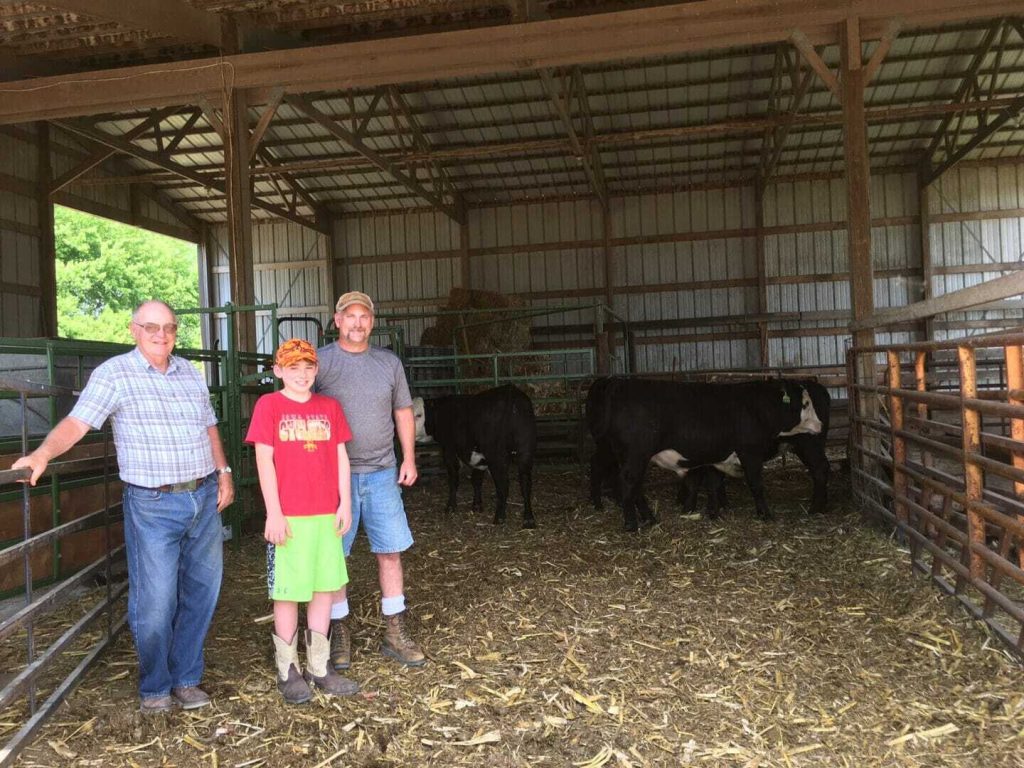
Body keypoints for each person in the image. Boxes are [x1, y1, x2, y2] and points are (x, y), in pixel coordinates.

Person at [11, 300, 234, 713]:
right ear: (133, 329)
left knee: (203, 591)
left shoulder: (189, 372)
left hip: (202, 494)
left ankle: (186, 678)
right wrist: (43, 454)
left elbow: (209, 426)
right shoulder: (115, 373)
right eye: (151, 326)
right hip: (152, 502)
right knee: (156, 601)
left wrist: (224, 472)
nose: (160, 334)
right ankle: (155, 686)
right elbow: (78, 422)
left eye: (168, 327)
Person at [315, 290, 425, 668]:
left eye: (364, 316)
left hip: (381, 472)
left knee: (390, 551)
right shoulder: (321, 363)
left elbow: (403, 412)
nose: (357, 323)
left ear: (371, 323)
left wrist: (408, 457)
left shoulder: (388, 363)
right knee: (334, 556)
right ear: (337, 320)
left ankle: (394, 630)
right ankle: (339, 630)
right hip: (334, 477)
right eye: (350, 316)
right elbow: (302, 408)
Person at [245, 338, 359, 704]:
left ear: (316, 370)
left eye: (308, 367)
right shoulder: (269, 406)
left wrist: (345, 504)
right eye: (293, 368)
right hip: (290, 517)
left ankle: (320, 667)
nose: (302, 375)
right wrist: (273, 511)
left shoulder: (330, 407)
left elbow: (342, 457)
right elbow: (264, 461)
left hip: (326, 514)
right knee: (288, 592)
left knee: (323, 589)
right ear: (278, 371)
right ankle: (288, 669)